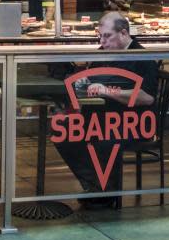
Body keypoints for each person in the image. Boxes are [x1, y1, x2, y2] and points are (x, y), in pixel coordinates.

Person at [54, 12, 158, 207]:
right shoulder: (104, 52)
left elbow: (147, 97)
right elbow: (93, 79)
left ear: (124, 33)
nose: (102, 41)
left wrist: (107, 91)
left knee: (103, 138)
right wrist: (85, 82)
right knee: (63, 131)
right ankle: (96, 185)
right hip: (102, 117)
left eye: (107, 36)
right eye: (100, 36)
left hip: (132, 122)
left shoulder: (143, 57)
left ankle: (104, 192)